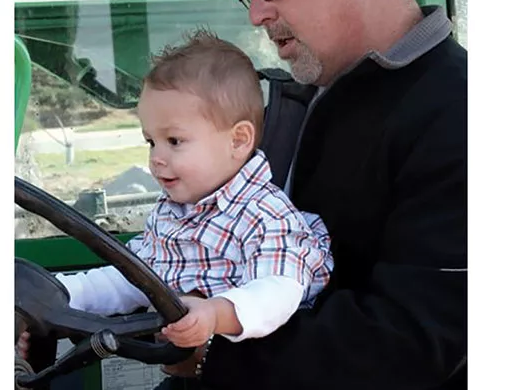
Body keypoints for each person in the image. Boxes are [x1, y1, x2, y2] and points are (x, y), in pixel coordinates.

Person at [161, 0, 467, 390]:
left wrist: (212, 355)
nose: (257, 12)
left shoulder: (458, 111)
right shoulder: (295, 99)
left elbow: (412, 339)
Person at [50, 30, 333, 349]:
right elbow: (134, 277)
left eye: (174, 141)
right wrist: (61, 293)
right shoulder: (173, 213)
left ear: (238, 140)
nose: (156, 158)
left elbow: (278, 290)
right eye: (151, 141)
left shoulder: (266, 216)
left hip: (266, 363)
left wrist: (215, 314)